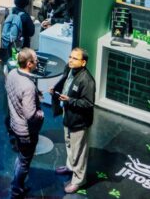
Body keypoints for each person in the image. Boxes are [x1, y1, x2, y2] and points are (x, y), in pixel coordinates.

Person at [52, 47, 96, 194]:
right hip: (68, 115)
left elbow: (88, 103)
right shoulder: (69, 68)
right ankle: (70, 167)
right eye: (70, 57)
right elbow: (64, 82)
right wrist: (56, 90)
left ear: (83, 62)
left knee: (79, 151)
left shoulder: (87, 80)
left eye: (75, 58)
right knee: (69, 143)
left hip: (79, 121)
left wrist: (70, 100)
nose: (70, 60)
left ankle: (78, 180)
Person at [6, 48, 44, 198]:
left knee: (21, 157)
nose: (37, 63)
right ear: (29, 64)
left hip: (15, 124)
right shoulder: (28, 86)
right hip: (25, 130)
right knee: (24, 161)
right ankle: (16, 189)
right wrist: (41, 113)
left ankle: (16, 183)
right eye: (36, 60)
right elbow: (30, 114)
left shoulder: (12, 73)